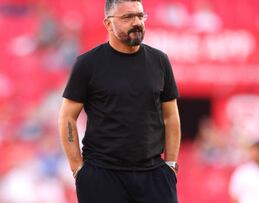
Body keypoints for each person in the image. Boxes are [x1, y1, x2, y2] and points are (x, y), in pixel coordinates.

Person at [58, 0, 181, 202]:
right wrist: (77, 169)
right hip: (102, 174)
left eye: (140, 16)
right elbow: (67, 117)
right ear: (108, 23)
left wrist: (171, 164)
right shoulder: (88, 63)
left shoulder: (160, 61)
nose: (137, 22)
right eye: (127, 17)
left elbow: (171, 116)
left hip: (153, 174)